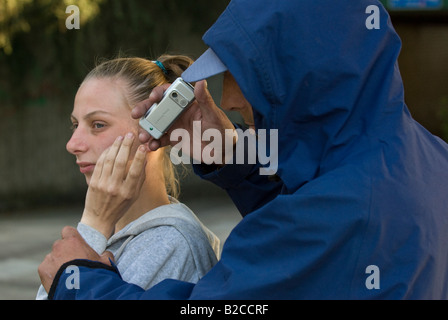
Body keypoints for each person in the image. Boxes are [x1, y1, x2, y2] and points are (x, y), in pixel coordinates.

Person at [39, 0, 448, 299]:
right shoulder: (428, 161)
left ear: (299, 74)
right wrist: (229, 153)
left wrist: (81, 282)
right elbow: (313, 226)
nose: (230, 99)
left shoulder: (333, 217)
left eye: (245, 73)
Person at [36, 55, 220, 299]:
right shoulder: (120, 232)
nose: (73, 144)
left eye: (98, 124)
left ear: (157, 125)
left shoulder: (168, 243)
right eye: (75, 124)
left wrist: (93, 224)